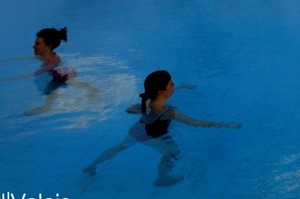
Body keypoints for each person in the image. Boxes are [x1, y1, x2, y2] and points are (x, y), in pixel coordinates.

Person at [82, 70, 241, 186]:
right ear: (162, 91)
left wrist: (182, 87)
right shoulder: (168, 111)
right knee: (173, 153)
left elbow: (148, 100)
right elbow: (195, 122)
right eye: (171, 84)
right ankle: (161, 179)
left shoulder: (148, 99)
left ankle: (92, 165)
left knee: (120, 147)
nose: (174, 85)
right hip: (153, 136)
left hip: (137, 129)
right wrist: (225, 125)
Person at [0, 27, 98, 114]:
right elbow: (24, 58)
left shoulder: (54, 62)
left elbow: (29, 75)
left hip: (62, 73)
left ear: (48, 46)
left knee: (65, 83)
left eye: (37, 43)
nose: (33, 46)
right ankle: (47, 106)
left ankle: (94, 90)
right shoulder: (44, 56)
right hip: (55, 74)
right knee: (51, 89)